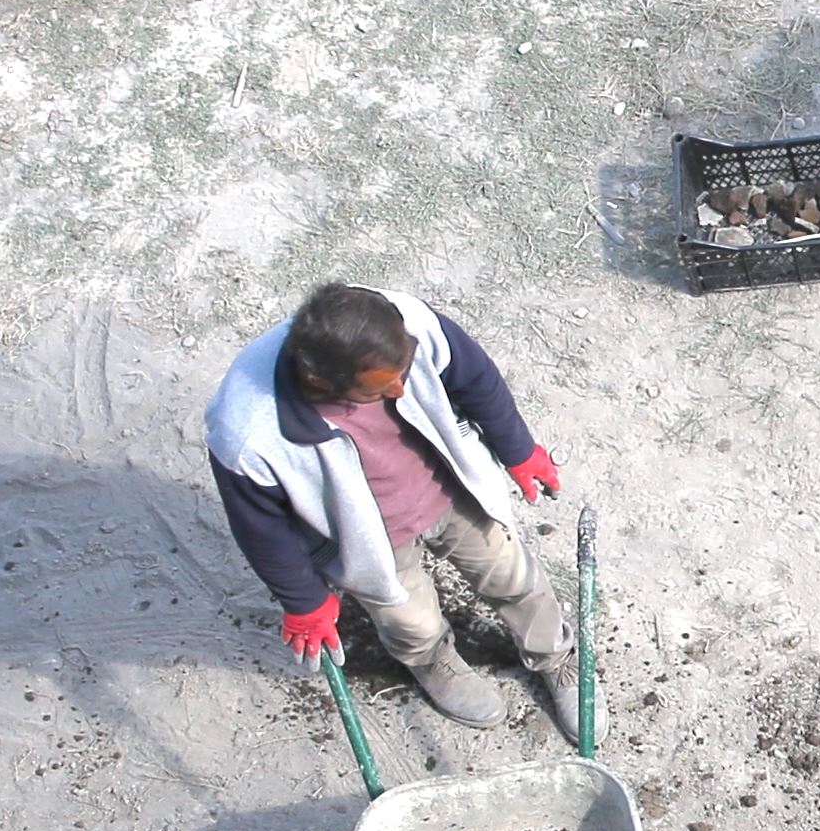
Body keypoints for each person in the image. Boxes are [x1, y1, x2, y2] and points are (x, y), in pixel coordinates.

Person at [204, 279, 572, 728]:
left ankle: (554, 655)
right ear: (321, 383)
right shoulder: (248, 434)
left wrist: (517, 448)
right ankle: (432, 661)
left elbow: (475, 377)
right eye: (378, 390)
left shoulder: (403, 322)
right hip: (366, 538)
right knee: (410, 622)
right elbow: (261, 529)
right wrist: (303, 599)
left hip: (449, 492)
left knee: (514, 576)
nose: (401, 389)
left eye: (404, 370)